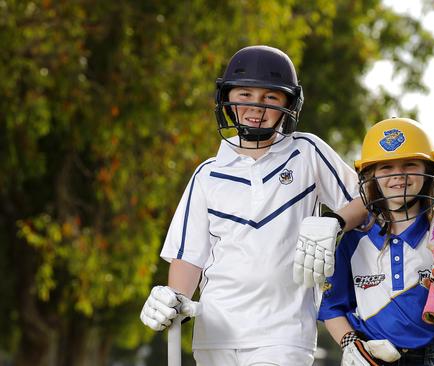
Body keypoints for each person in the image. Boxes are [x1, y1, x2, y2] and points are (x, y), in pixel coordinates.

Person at [139, 45, 367, 366]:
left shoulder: (307, 152)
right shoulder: (208, 173)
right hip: (215, 331)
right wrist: (173, 300)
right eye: (244, 95)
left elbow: (366, 201)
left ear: (289, 104)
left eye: (270, 98)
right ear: (227, 101)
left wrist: (334, 223)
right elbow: (190, 258)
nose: (256, 107)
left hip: (283, 332)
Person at [318, 118, 434, 366]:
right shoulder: (354, 239)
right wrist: (350, 344)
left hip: (430, 358)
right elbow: (332, 308)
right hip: (371, 357)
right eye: (386, 167)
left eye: (410, 164)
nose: (399, 175)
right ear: (370, 176)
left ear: (429, 171)